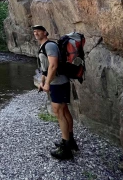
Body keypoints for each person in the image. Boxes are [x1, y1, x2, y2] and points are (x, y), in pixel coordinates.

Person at [33, 24, 78, 160]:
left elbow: (53, 65)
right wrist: (42, 81)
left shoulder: (50, 46)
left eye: (39, 31)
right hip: (55, 83)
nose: (36, 33)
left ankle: (66, 150)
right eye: (34, 32)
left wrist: (47, 84)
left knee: (59, 112)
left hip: (58, 83)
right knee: (63, 111)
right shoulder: (43, 47)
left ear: (45, 33)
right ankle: (70, 142)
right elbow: (45, 68)